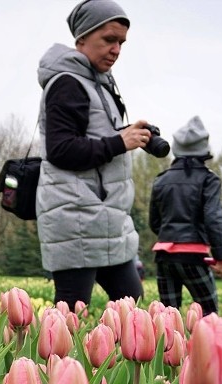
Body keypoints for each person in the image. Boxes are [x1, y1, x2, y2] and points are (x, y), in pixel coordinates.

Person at [36, 0, 149, 310]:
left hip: (106, 220)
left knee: (135, 316)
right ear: (82, 38)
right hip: (76, 220)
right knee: (71, 316)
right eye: (109, 40)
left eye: (121, 43)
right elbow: (60, 150)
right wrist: (119, 142)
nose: (116, 50)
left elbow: (94, 138)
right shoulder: (67, 83)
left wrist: (127, 132)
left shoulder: (98, 83)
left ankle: (109, 361)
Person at [149, 115, 222, 314]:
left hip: (164, 257)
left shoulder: (161, 180)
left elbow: (155, 222)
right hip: (194, 257)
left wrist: (172, 235)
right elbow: (214, 218)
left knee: (167, 322)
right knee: (209, 317)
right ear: (204, 149)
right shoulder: (208, 179)